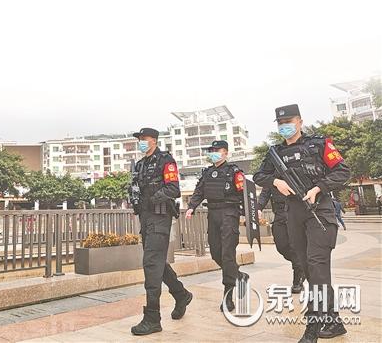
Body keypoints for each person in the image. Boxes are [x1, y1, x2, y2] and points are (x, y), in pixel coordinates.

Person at [253, 104, 350, 343]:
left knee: (317, 267)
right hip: (294, 213)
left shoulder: (318, 144)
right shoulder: (274, 153)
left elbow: (342, 171)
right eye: (280, 123)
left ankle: (312, 330)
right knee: (308, 268)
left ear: (300, 122)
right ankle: (334, 321)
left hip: (320, 210)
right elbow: (258, 176)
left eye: (289, 122)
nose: (285, 126)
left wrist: (319, 188)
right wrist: (276, 182)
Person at [129, 127, 193, 336]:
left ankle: (152, 317)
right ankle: (180, 294)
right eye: (139, 139)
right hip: (145, 217)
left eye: (144, 139)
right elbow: (135, 188)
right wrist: (136, 201)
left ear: (154, 141)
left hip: (160, 215)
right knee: (156, 261)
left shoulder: (165, 160)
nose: (141, 142)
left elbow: (173, 189)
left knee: (150, 262)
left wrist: (152, 198)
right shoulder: (139, 165)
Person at [185, 140, 247, 312]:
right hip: (213, 214)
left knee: (227, 254)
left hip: (229, 213)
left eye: (217, 150)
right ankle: (238, 274)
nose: (213, 153)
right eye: (211, 150)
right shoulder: (207, 173)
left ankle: (228, 296)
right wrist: (191, 207)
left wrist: (250, 215)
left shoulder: (234, 172)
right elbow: (199, 192)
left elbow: (245, 194)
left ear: (225, 152)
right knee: (215, 253)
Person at [258, 186, 305, 292]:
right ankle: (301, 266)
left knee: (295, 246)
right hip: (280, 213)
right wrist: (258, 208)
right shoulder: (272, 173)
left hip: (296, 212)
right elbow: (265, 193)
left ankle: (297, 279)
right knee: (281, 246)